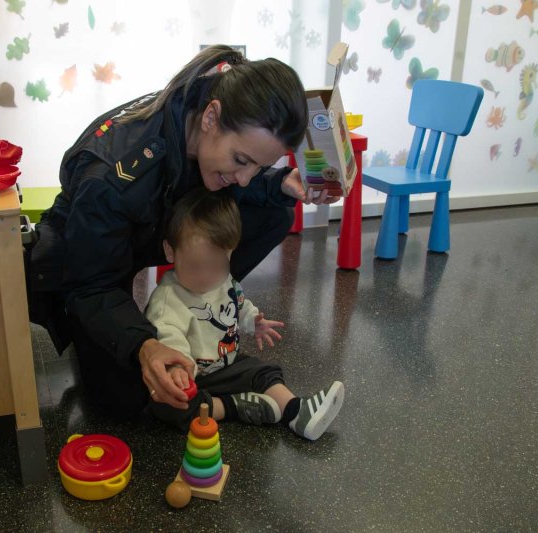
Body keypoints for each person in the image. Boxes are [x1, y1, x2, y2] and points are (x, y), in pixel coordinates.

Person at [28, 45, 339, 420]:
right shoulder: (112, 178)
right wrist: (144, 345)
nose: (244, 177)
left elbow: (231, 179)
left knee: (274, 210)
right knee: (126, 396)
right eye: (242, 160)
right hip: (94, 248)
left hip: (160, 222)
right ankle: (184, 365)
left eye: (259, 166)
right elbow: (92, 284)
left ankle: (199, 300)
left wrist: (277, 183)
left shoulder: (212, 114)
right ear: (211, 117)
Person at [145, 188, 344, 439]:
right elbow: (168, 336)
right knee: (169, 403)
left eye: (218, 265)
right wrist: (177, 370)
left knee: (264, 371)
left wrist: (252, 320)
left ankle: (297, 411)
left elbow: (236, 301)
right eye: (196, 266)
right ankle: (230, 407)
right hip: (192, 377)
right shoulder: (167, 300)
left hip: (225, 364)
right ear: (171, 251)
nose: (207, 276)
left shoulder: (222, 278)